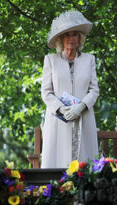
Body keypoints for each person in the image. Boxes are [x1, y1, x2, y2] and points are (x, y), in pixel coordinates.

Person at [41, 10, 99, 168]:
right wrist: (61, 108)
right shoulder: (50, 60)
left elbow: (94, 90)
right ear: (61, 39)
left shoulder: (89, 60)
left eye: (74, 34)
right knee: (57, 163)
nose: (71, 38)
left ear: (79, 38)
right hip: (58, 119)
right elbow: (46, 92)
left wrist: (81, 106)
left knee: (83, 166)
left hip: (83, 117)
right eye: (67, 35)